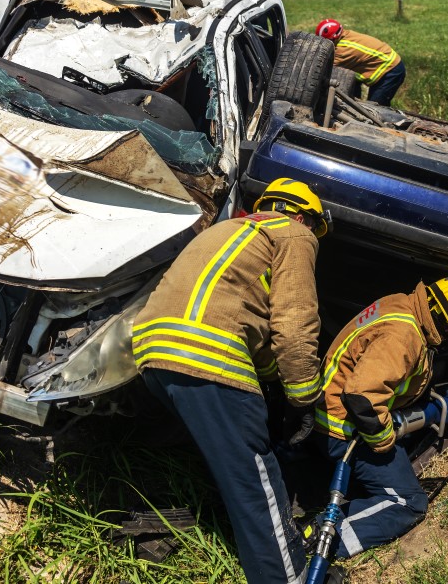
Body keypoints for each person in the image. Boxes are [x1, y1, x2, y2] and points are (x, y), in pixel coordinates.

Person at [133, 178, 332, 584]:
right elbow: (294, 326)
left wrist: (272, 384)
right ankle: (288, 578)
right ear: (304, 216)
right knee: (257, 479)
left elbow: (244, 318)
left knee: (233, 466)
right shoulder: (294, 233)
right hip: (207, 357)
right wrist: (303, 399)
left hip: (154, 354)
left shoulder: (228, 229)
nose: (313, 237)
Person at [303, 278, 448, 558]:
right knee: (408, 502)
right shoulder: (404, 337)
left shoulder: (402, 303)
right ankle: (320, 538)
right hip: (346, 430)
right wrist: (386, 439)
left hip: (327, 412)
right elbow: (362, 398)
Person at [316, 19, 406, 107]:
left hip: (390, 71)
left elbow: (325, 68)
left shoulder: (342, 52)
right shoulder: (347, 34)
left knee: (375, 107)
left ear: (332, 39)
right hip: (389, 63)